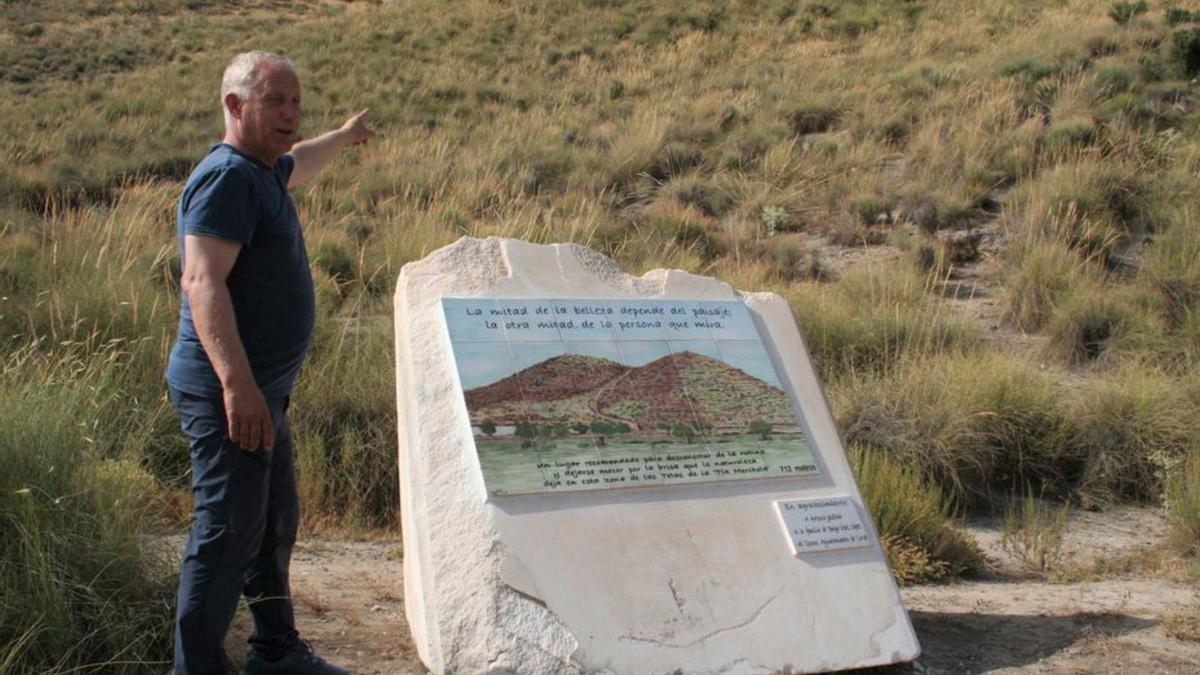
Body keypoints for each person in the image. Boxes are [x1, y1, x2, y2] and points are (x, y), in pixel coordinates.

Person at [165, 51, 373, 675]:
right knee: (226, 535)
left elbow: (298, 161)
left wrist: (341, 136)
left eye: (296, 102)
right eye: (276, 101)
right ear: (234, 105)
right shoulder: (226, 178)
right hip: (231, 392)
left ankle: (275, 651)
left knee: (273, 521)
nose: (290, 114)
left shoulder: (262, 171)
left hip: (263, 391)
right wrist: (236, 385)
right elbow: (201, 282)